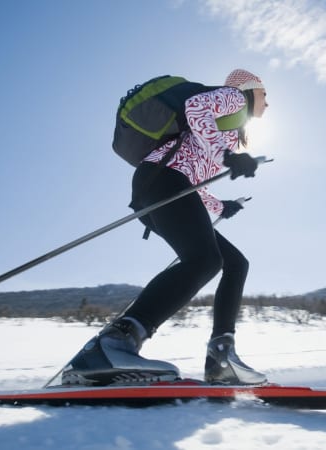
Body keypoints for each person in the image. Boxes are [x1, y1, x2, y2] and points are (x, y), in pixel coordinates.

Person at [62, 69, 269, 386]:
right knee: (204, 260)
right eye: (264, 94)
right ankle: (113, 345)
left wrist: (221, 206)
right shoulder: (234, 99)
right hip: (162, 181)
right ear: (250, 89)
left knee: (234, 263)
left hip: (166, 184)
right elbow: (196, 107)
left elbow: (193, 176)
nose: (267, 103)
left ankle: (221, 357)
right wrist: (228, 156)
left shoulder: (228, 127)